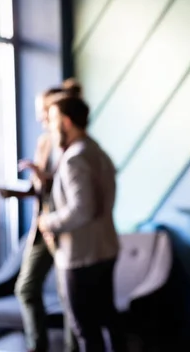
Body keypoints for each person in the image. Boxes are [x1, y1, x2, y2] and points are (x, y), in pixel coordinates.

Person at [36, 96, 126, 352]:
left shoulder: (74, 157)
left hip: (81, 255)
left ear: (66, 122)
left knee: (85, 330)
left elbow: (82, 209)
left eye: (52, 120)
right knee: (109, 320)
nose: (49, 127)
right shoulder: (97, 151)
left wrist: (48, 222)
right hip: (105, 248)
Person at [0, 83, 80, 352]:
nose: (39, 117)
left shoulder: (70, 143)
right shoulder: (45, 141)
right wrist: (15, 191)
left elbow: (70, 187)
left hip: (64, 229)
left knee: (68, 295)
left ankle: (71, 347)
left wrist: (44, 177)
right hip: (42, 227)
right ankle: (38, 345)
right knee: (26, 287)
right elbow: (42, 189)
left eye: (42, 110)